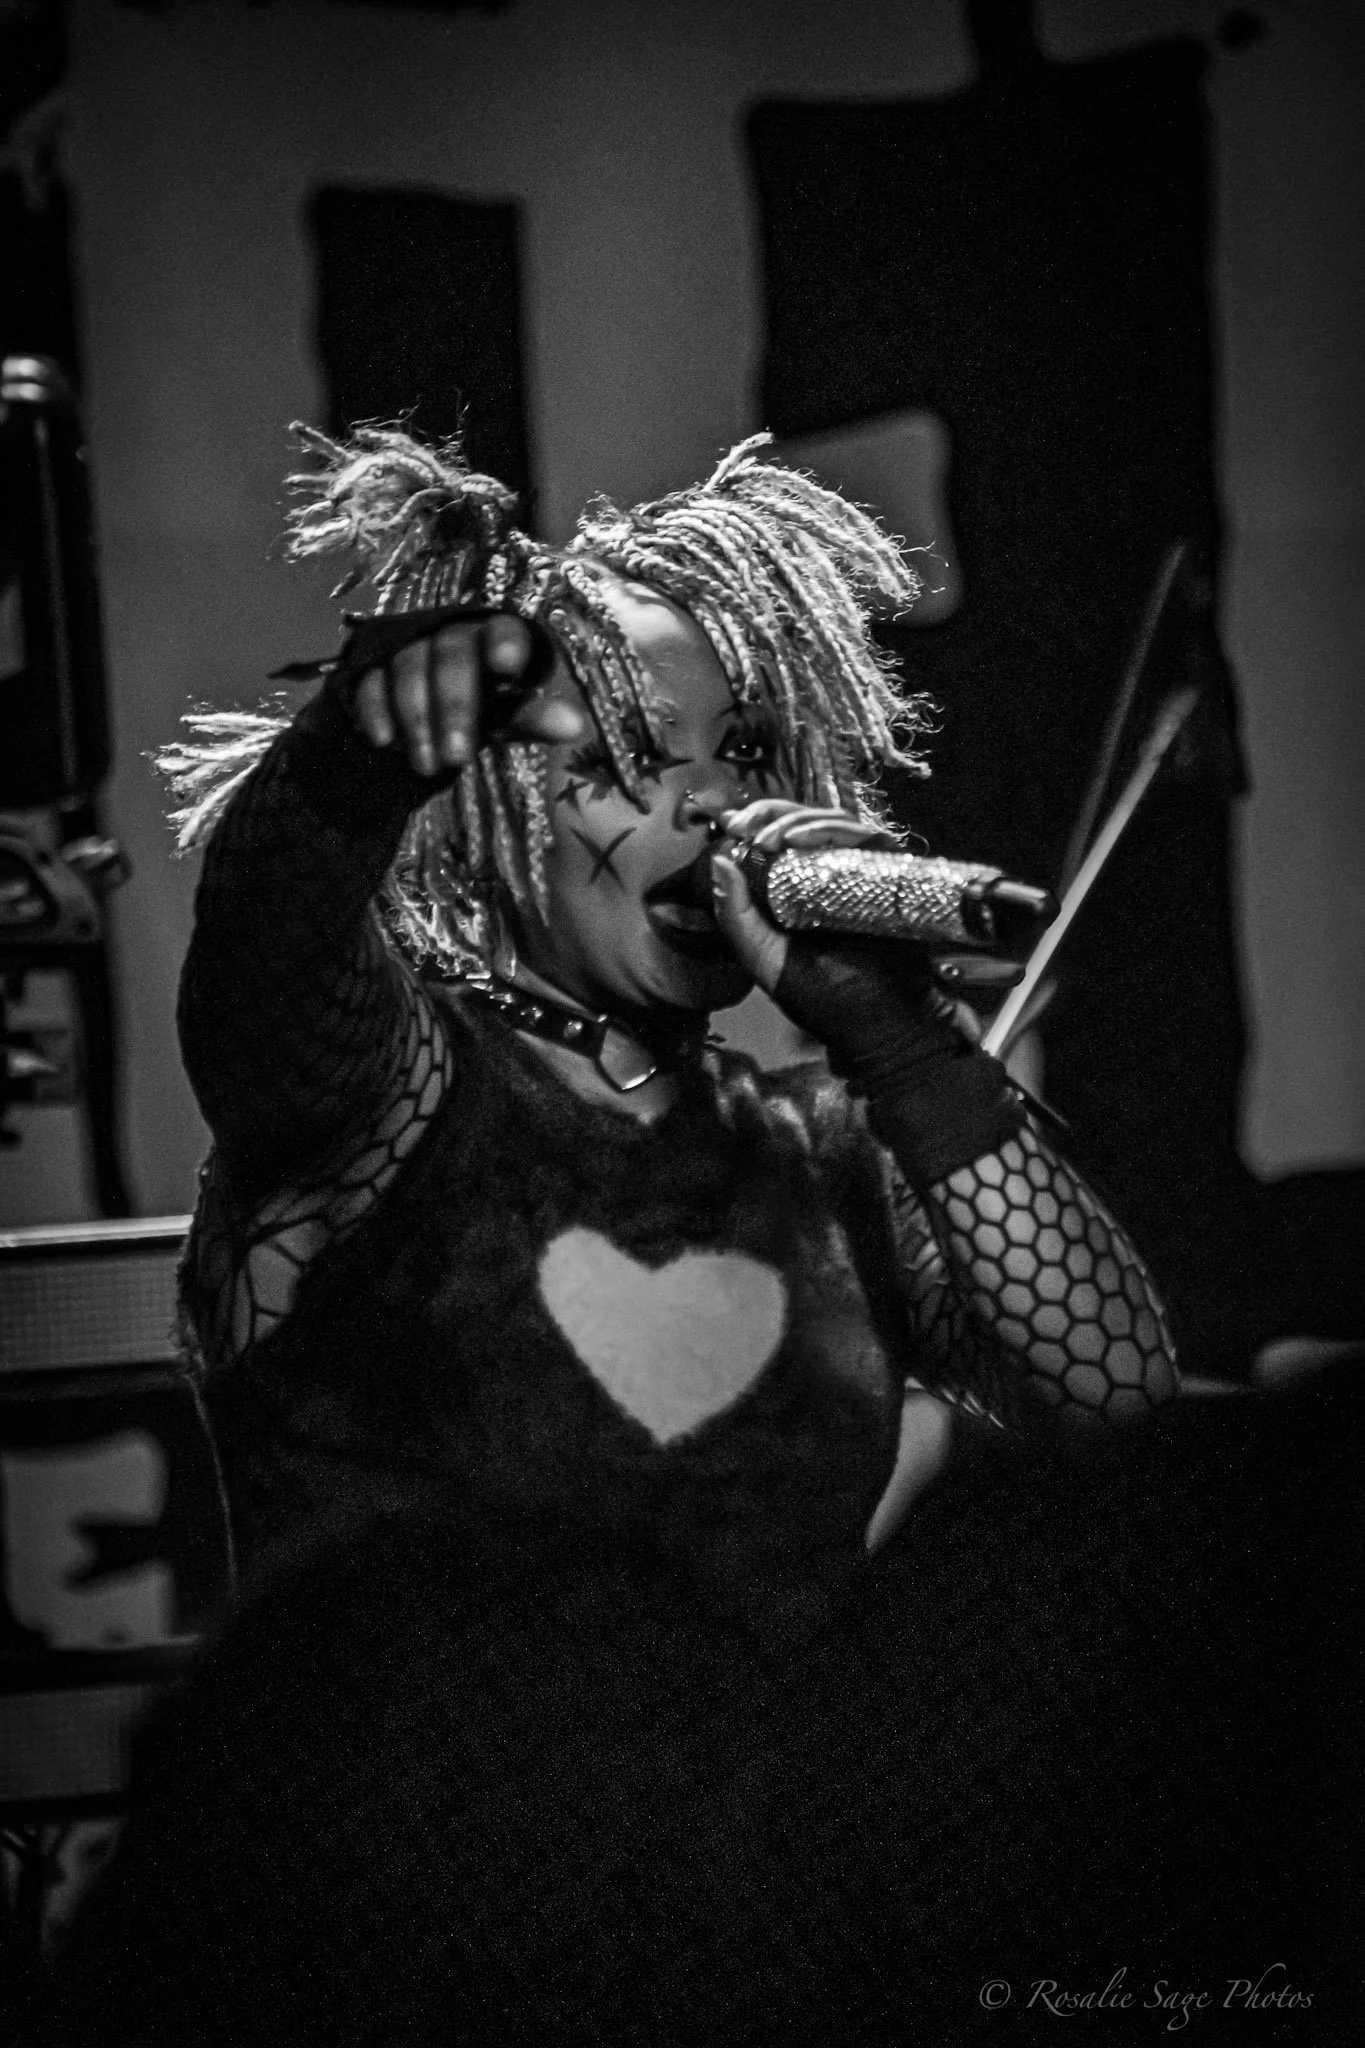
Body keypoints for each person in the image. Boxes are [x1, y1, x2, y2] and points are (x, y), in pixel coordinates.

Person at [27, 430, 1190, 2046]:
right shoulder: (393, 1093)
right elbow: (267, 971)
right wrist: (349, 770)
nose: (704, 800)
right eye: (621, 760)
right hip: (388, 1955)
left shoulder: (823, 1150)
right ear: (488, 806)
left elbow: (1123, 1406)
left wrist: (906, 1047)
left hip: (753, 1950)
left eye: (738, 747)